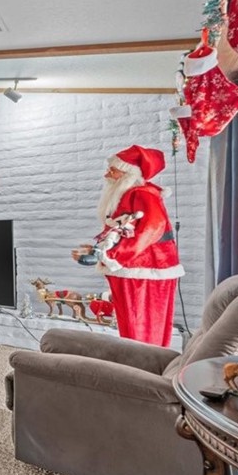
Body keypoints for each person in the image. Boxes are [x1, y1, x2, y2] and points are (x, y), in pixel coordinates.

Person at [71, 144, 184, 347]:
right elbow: (122, 230)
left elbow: (152, 228)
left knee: (140, 322)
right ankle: (136, 365)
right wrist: (98, 250)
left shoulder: (142, 194)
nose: (107, 174)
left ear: (128, 173)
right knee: (131, 320)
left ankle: (142, 366)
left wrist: (114, 255)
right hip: (134, 268)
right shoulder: (131, 194)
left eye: (113, 170)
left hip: (146, 268)